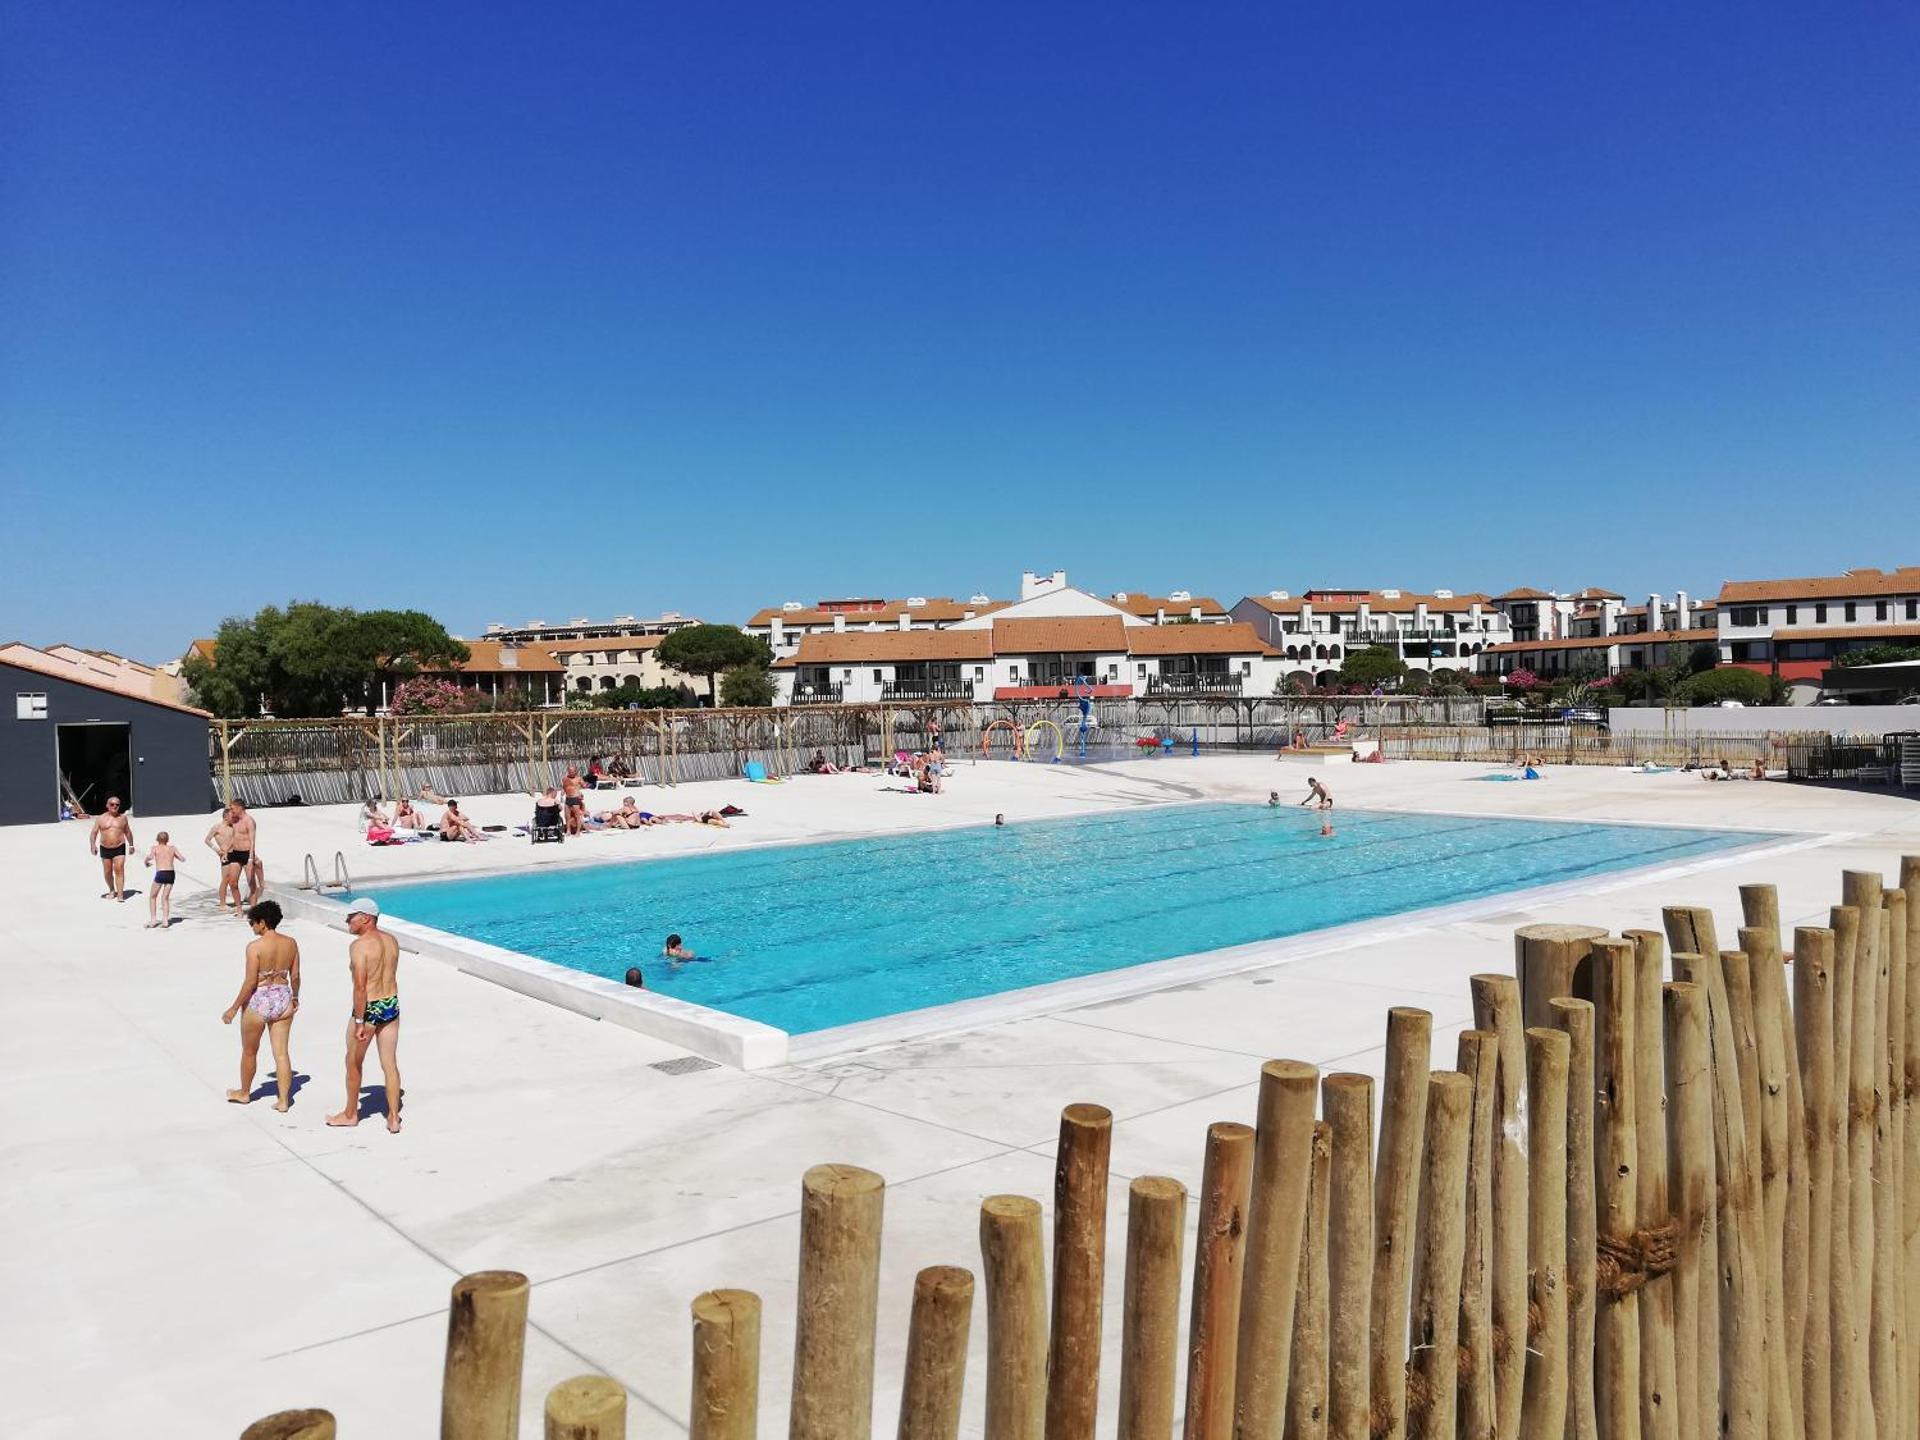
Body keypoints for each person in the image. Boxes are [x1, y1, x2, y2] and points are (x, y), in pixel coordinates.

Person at [327, 897, 403, 1133]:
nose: (348, 920)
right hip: (390, 1004)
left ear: (366, 918)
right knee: (389, 1064)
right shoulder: (392, 941)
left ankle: (350, 1114)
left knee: (352, 1061)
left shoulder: (359, 946)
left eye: (352, 916)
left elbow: (360, 986)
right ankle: (393, 1118)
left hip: (369, 1008)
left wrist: (360, 1021)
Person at [223, 900, 301, 1110]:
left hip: (259, 999)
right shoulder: (291, 943)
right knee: (282, 1053)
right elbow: (295, 976)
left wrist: (233, 1007)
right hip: (283, 997)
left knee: (250, 1051)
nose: (252, 926)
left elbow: (250, 982)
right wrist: (295, 998)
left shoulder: (254, 948)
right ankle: (284, 1100)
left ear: (263, 923)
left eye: (253, 922)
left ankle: (244, 1093)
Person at [89, 795, 134, 901]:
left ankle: (120, 894)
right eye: (112, 804)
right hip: (105, 848)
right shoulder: (100, 818)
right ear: (107, 806)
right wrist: (92, 845)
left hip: (119, 847)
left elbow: (128, 832)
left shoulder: (123, 818)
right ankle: (112, 889)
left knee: (119, 869)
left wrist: (131, 845)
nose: (115, 806)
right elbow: (93, 833)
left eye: (117, 805)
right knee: (107, 872)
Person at [204, 805, 245, 918]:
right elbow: (207, 840)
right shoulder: (217, 827)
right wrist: (217, 850)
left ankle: (236, 901)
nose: (233, 817)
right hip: (224, 854)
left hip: (235, 853)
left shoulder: (233, 827)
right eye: (232, 816)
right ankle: (222, 903)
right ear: (226, 816)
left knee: (233, 879)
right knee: (225, 879)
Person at [145, 831, 186, 929]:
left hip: (161, 873)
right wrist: (172, 856)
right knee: (165, 898)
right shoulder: (172, 848)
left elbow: (150, 857)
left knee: (153, 896)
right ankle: (165, 920)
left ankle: (153, 920)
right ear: (167, 840)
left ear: (157, 840)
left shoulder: (154, 848)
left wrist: (146, 861)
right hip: (170, 873)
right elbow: (182, 858)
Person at [560, 765, 588, 834]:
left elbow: (584, 785)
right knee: (567, 816)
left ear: (575, 771)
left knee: (577, 815)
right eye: (570, 771)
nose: (571, 772)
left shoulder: (579, 778)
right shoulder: (564, 779)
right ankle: (568, 830)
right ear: (568, 771)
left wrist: (583, 787)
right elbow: (564, 788)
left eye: (573, 771)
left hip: (575, 798)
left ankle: (578, 831)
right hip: (568, 799)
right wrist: (561, 795)